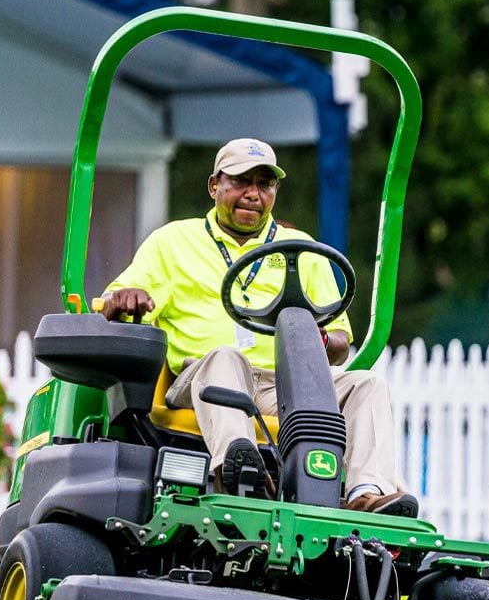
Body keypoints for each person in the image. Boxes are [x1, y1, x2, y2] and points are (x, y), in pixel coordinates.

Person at [99, 137, 418, 517]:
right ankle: (240, 472)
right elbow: (118, 298)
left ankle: (366, 493)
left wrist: (312, 336)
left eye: (264, 184)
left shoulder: (300, 249)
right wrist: (125, 298)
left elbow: (339, 344)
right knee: (225, 357)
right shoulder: (173, 242)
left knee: (367, 384)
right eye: (240, 181)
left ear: (275, 191)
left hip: (283, 386)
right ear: (214, 185)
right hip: (202, 381)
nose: (253, 194)